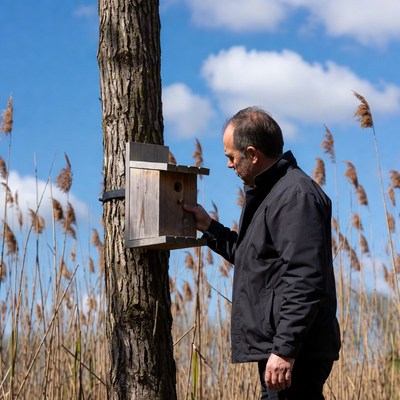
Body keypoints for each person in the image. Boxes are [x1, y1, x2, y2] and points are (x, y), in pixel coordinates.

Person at [183, 107, 341, 399]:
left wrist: (285, 348)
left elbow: (305, 277)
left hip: (296, 352)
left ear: (252, 154)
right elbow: (254, 259)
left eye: (232, 156)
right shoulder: (272, 193)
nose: (229, 165)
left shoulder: (295, 195)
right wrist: (209, 227)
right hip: (283, 347)